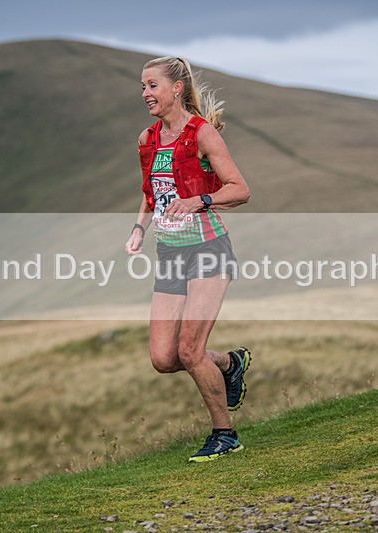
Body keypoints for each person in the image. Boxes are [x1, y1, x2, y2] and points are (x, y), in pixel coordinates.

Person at [125, 56, 252, 463]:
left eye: (152, 85)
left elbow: (240, 189)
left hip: (209, 249)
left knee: (190, 350)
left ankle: (224, 435)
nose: (145, 93)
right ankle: (230, 363)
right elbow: (151, 193)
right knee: (165, 358)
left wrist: (200, 200)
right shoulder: (147, 139)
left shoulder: (202, 134)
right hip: (169, 254)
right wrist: (139, 228)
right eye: (142, 86)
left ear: (176, 88)